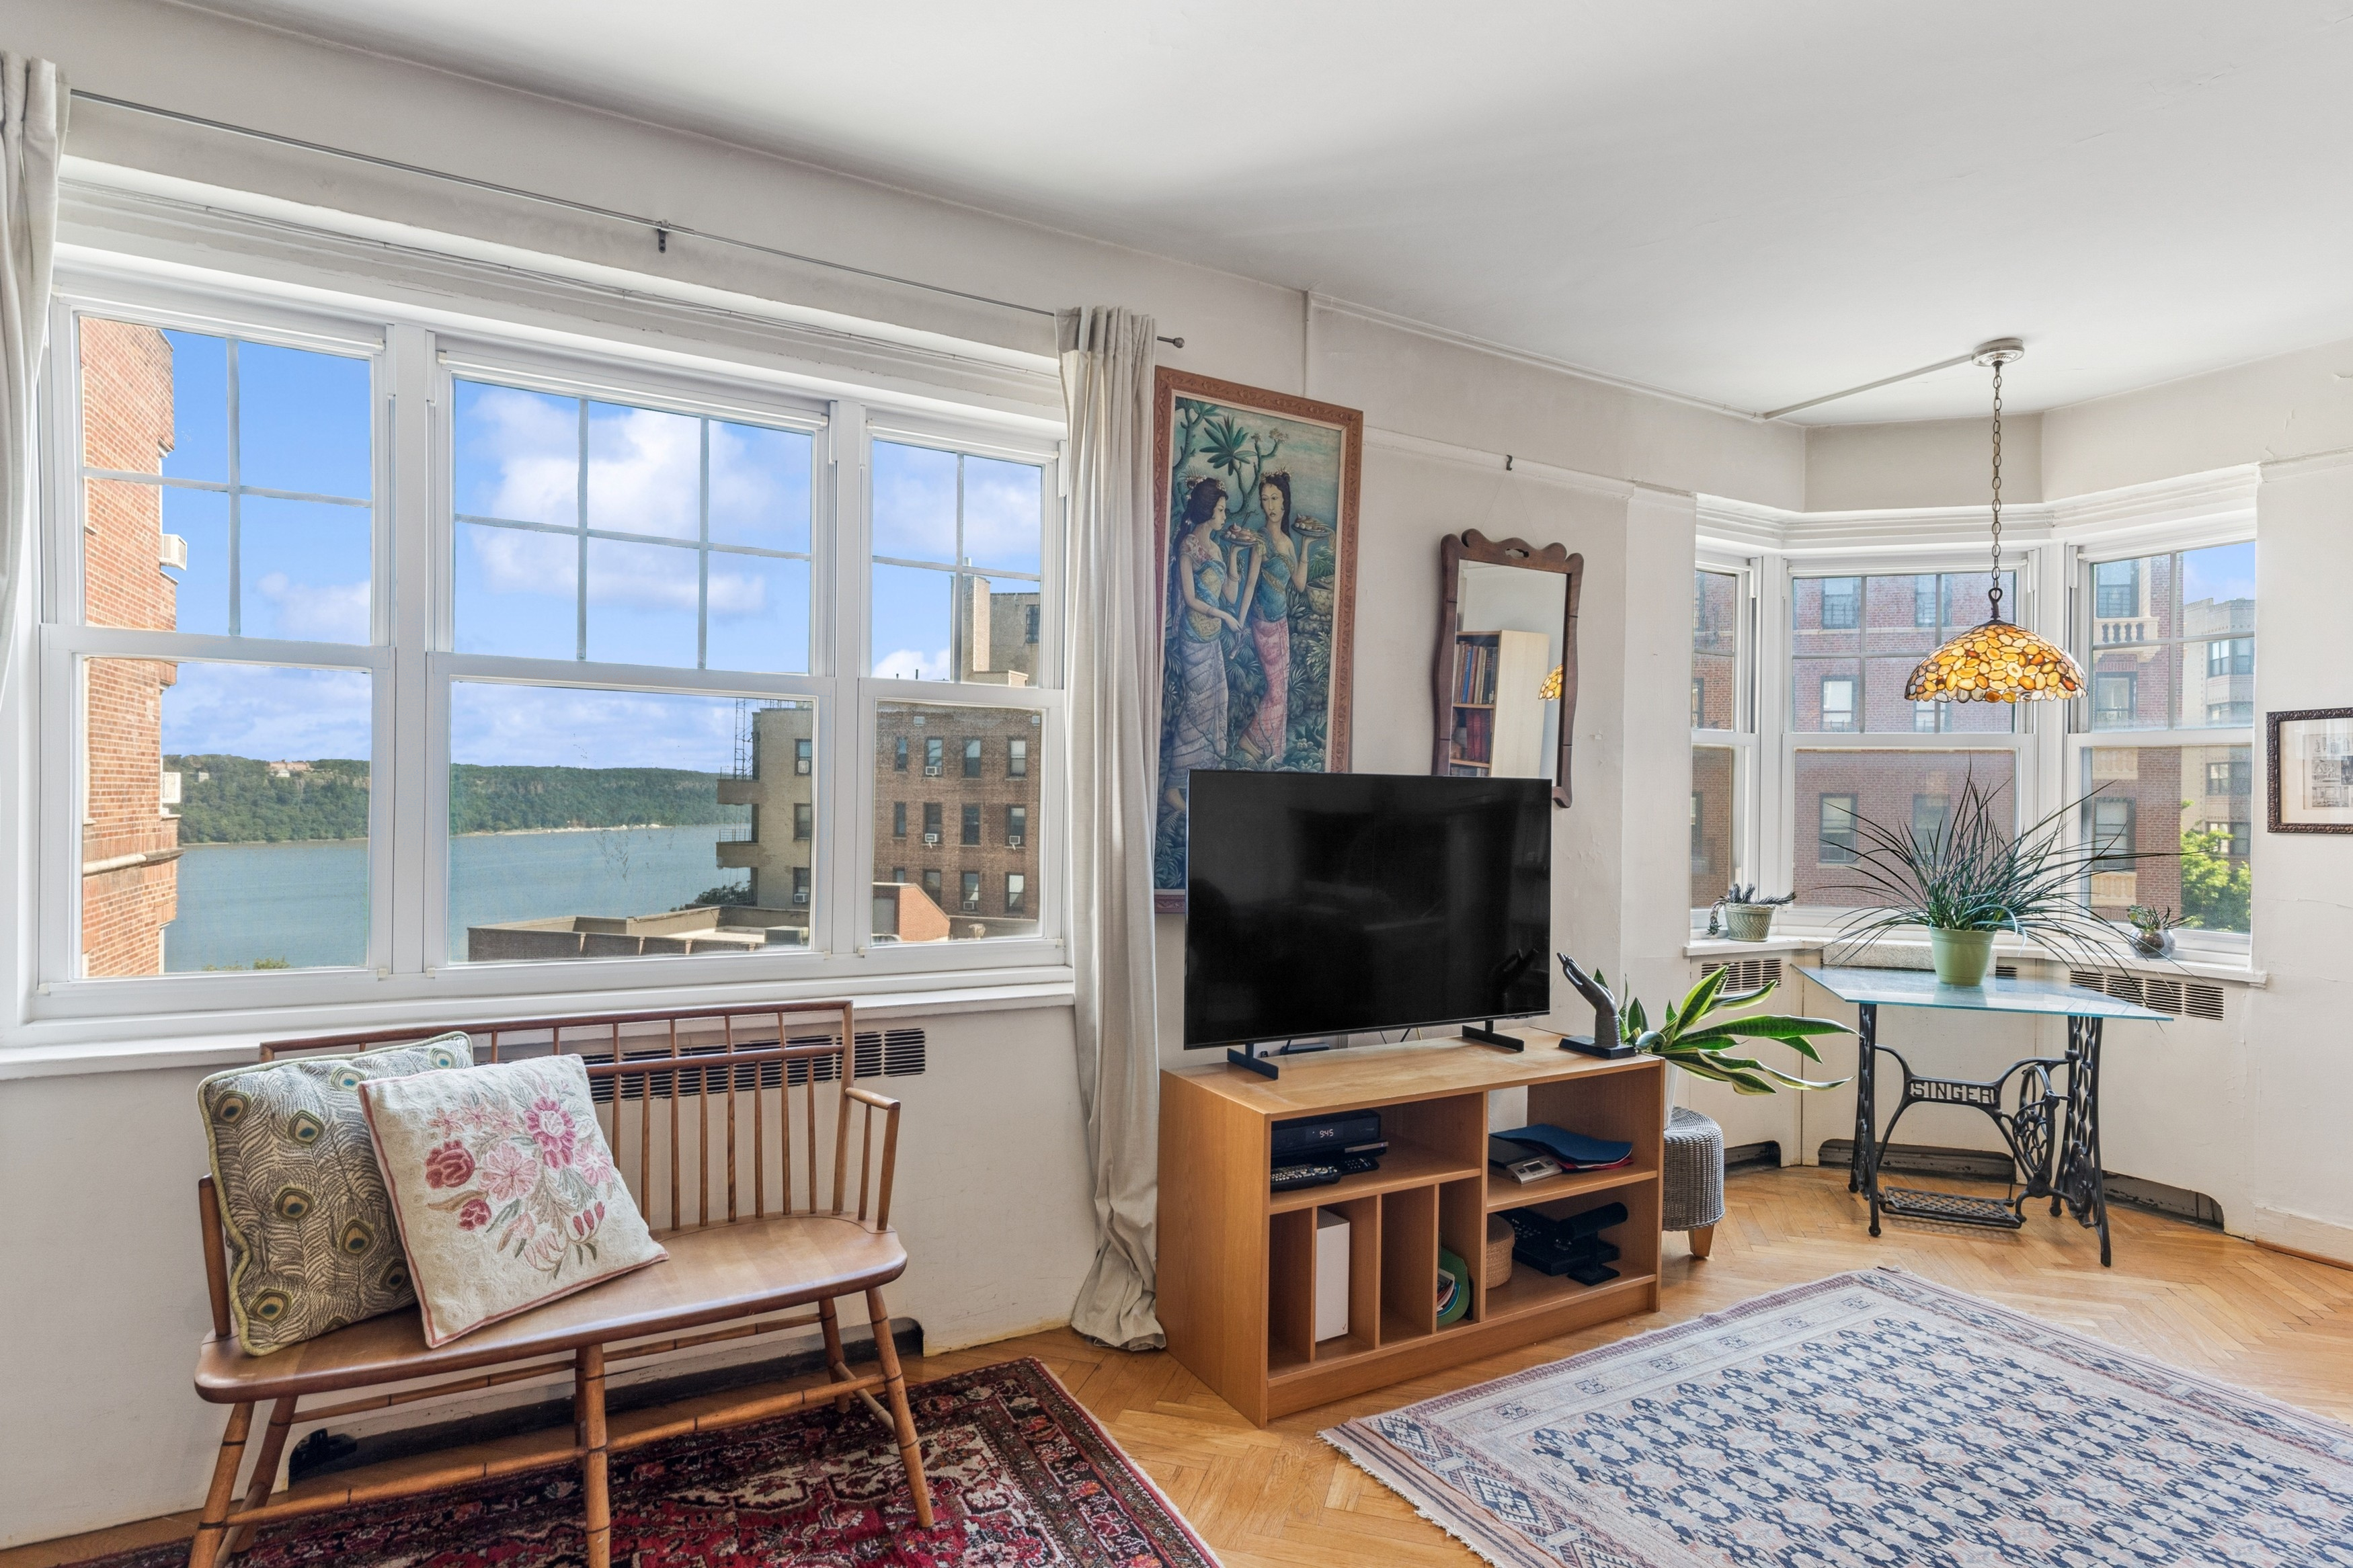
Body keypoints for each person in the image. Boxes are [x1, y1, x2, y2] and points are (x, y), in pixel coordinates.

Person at [1162, 478, 1244, 821]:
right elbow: (1192, 599)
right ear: (1208, 510)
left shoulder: (1218, 548)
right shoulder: (1189, 546)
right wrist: (1225, 617)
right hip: (1194, 636)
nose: (1224, 515)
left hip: (1212, 636)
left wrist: (1236, 555)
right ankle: (1173, 787)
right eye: (1221, 509)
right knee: (1198, 706)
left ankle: (1208, 778)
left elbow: (1229, 593)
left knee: (1220, 701)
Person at [1232, 471, 1316, 766]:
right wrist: (1240, 623)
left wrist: (1305, 546)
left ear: (1285, 501)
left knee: (1279, 689)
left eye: (1275, 498)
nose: (1270, 505)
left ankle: (1271, 751)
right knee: (1277, 690)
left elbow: (1300, 585)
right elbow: (1251, 583)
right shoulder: (1261, 540)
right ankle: (1249, 739)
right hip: (1264, 623)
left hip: (1281, 624)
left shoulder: (1288, 543)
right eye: (1265, 499)